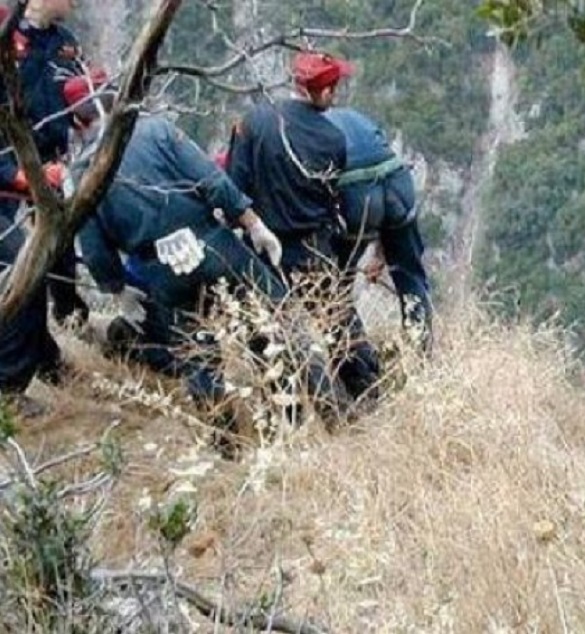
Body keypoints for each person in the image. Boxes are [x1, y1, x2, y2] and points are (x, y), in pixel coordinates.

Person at [66, 73, 346, 438]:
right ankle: (323, 419)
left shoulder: (81, 171)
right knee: (280, 322)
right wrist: (253, 223)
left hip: (161, 268)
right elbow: (211, 180)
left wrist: (116, 288)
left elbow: (93, 244)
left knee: (199, 358)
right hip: (212, 244)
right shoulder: (156, 131)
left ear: (78, 123)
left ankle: (226, 441)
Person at [226, 51, 380, 400]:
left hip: (263, 248)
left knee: (265, 333)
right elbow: (332, 197)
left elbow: (234, 189)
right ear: (321, 92)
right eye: (333, 88)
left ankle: (287, 410)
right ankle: (369, 398)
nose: (335, 95)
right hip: (313, 249)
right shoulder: (332, 139)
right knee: (338, 325)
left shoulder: (252, 122)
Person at [0, 0, 85, 417]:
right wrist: (16, 173)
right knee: (22, 269)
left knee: (56, 262)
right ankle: (8, 388)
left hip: (51, 171)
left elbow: (78, 95)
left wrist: (85, 114)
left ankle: (46, 356)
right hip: (11, 175)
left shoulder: (65, 45)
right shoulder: (5, 33)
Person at [323, 106, 433, 354]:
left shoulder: (311, 129)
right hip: (397, 183)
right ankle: (421, 356)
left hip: (356, 196)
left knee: (335, 286)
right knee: (410, 277)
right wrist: (381, 254)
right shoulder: (357, 116)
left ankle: (359, 363)